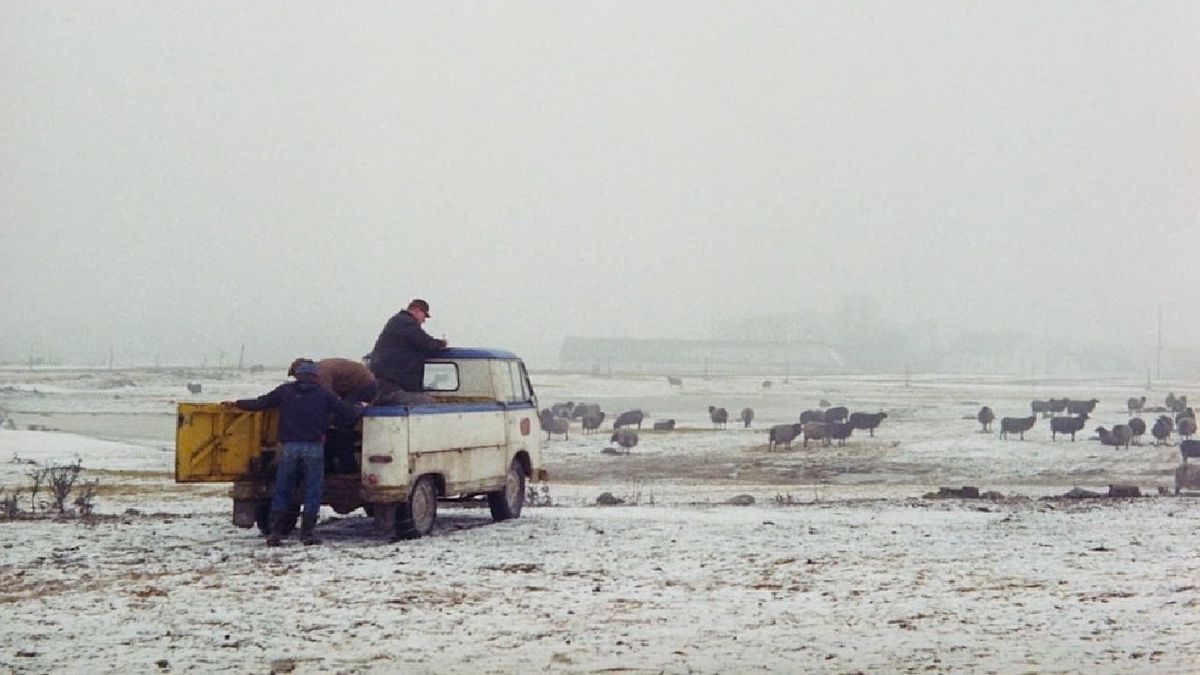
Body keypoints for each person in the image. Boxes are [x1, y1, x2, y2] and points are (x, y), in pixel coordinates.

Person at [226, 361, 362, 546]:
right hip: (313, 449)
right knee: (313, 491)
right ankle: (307, 534)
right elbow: (346, 414)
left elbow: (261, 403)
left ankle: (275, 533)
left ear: (297, 375)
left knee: (283, 489)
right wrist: (360, 408)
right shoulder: (324, 394)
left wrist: (237, 404)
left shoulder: (285, 391)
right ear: (315, 376)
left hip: (289, 449)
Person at [287, 356, 376, 474]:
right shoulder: (320, 369)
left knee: (343, 425)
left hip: (364, 385)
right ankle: (338, 465)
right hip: (349, 387)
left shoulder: (321, 374)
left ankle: (348, 469)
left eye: (297, 377)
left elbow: (328, 398)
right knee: (335, 424)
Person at [369, 298, 448, 405]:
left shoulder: (397, 322)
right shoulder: (405, 323)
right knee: (431, 404)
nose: (424, 320)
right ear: (417, 311)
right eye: (424, 316)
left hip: (383, 386)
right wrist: (442, 343)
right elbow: (426, 343)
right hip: (391, 389)